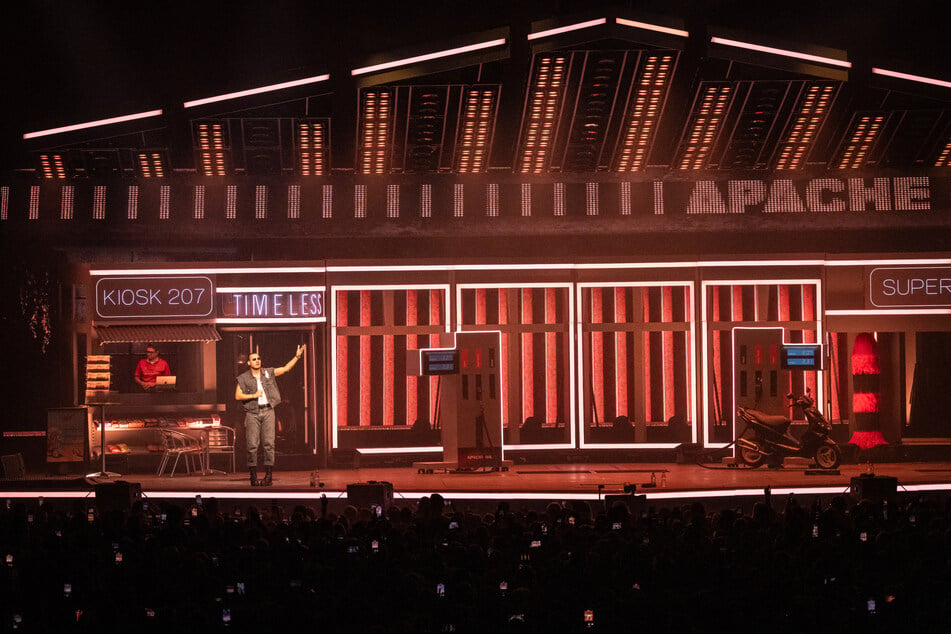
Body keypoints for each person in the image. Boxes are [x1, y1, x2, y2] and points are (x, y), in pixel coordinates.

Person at [234, 345, 305, 486]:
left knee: (269, 444)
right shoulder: (244, 378)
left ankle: (268, 476)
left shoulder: (268, 372)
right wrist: (254, 395)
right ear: (249, 362)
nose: (257, 361)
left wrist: (296, 357)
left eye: (258, 359)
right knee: (252, 445)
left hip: (268, 411)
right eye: (254, 359)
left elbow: (285, 369)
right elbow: (237, 395)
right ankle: (253, 477)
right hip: (252, 412)